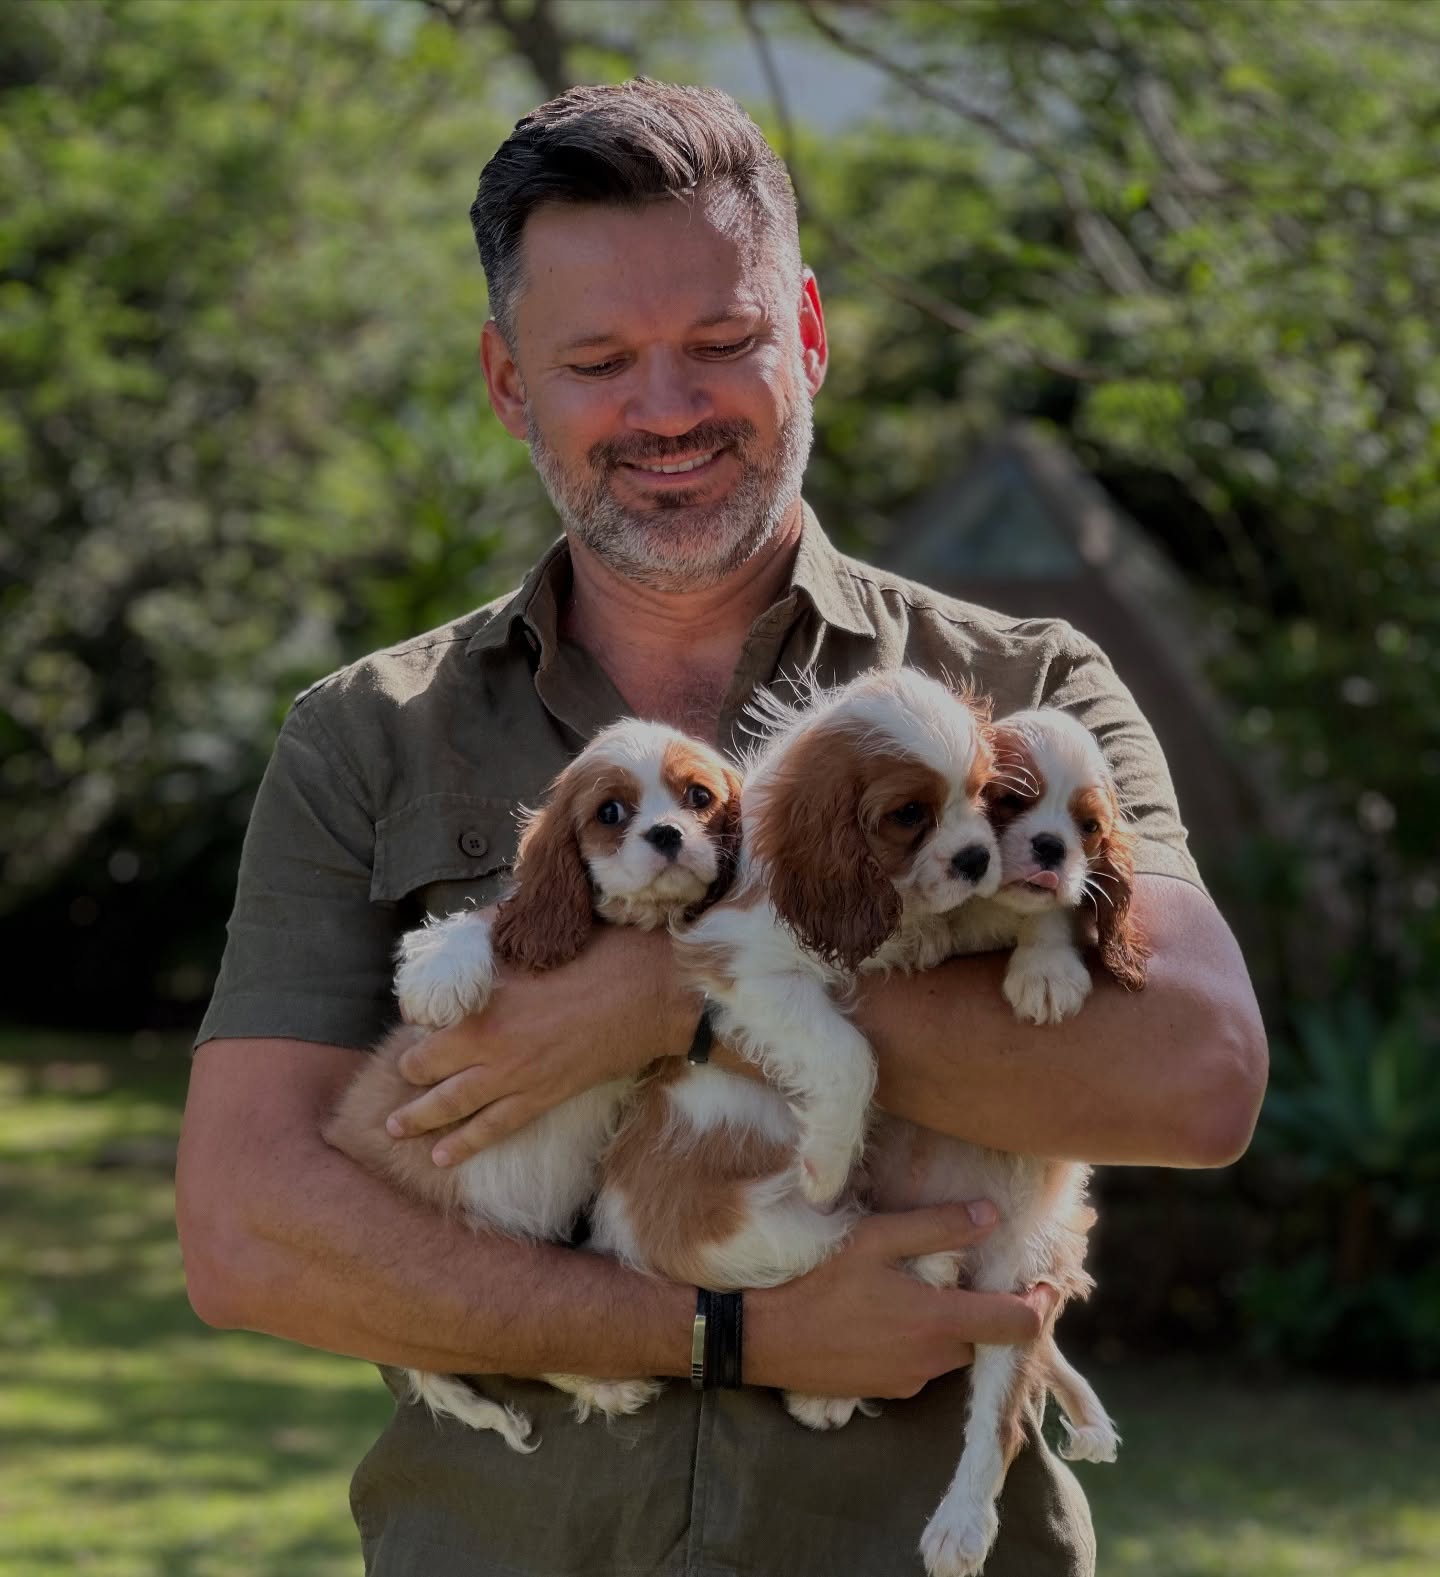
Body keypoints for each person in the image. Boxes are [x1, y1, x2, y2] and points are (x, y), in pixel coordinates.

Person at [176, 80, 1266, 1577]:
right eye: (599, 360)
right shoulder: (370, 733)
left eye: (724, 343)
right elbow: (248, 1230)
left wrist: (665, 994)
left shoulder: (1025, 689)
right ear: (510, 382)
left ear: (808, 333)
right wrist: (723, 1330)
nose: (668, 408)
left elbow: (1200, 1078)